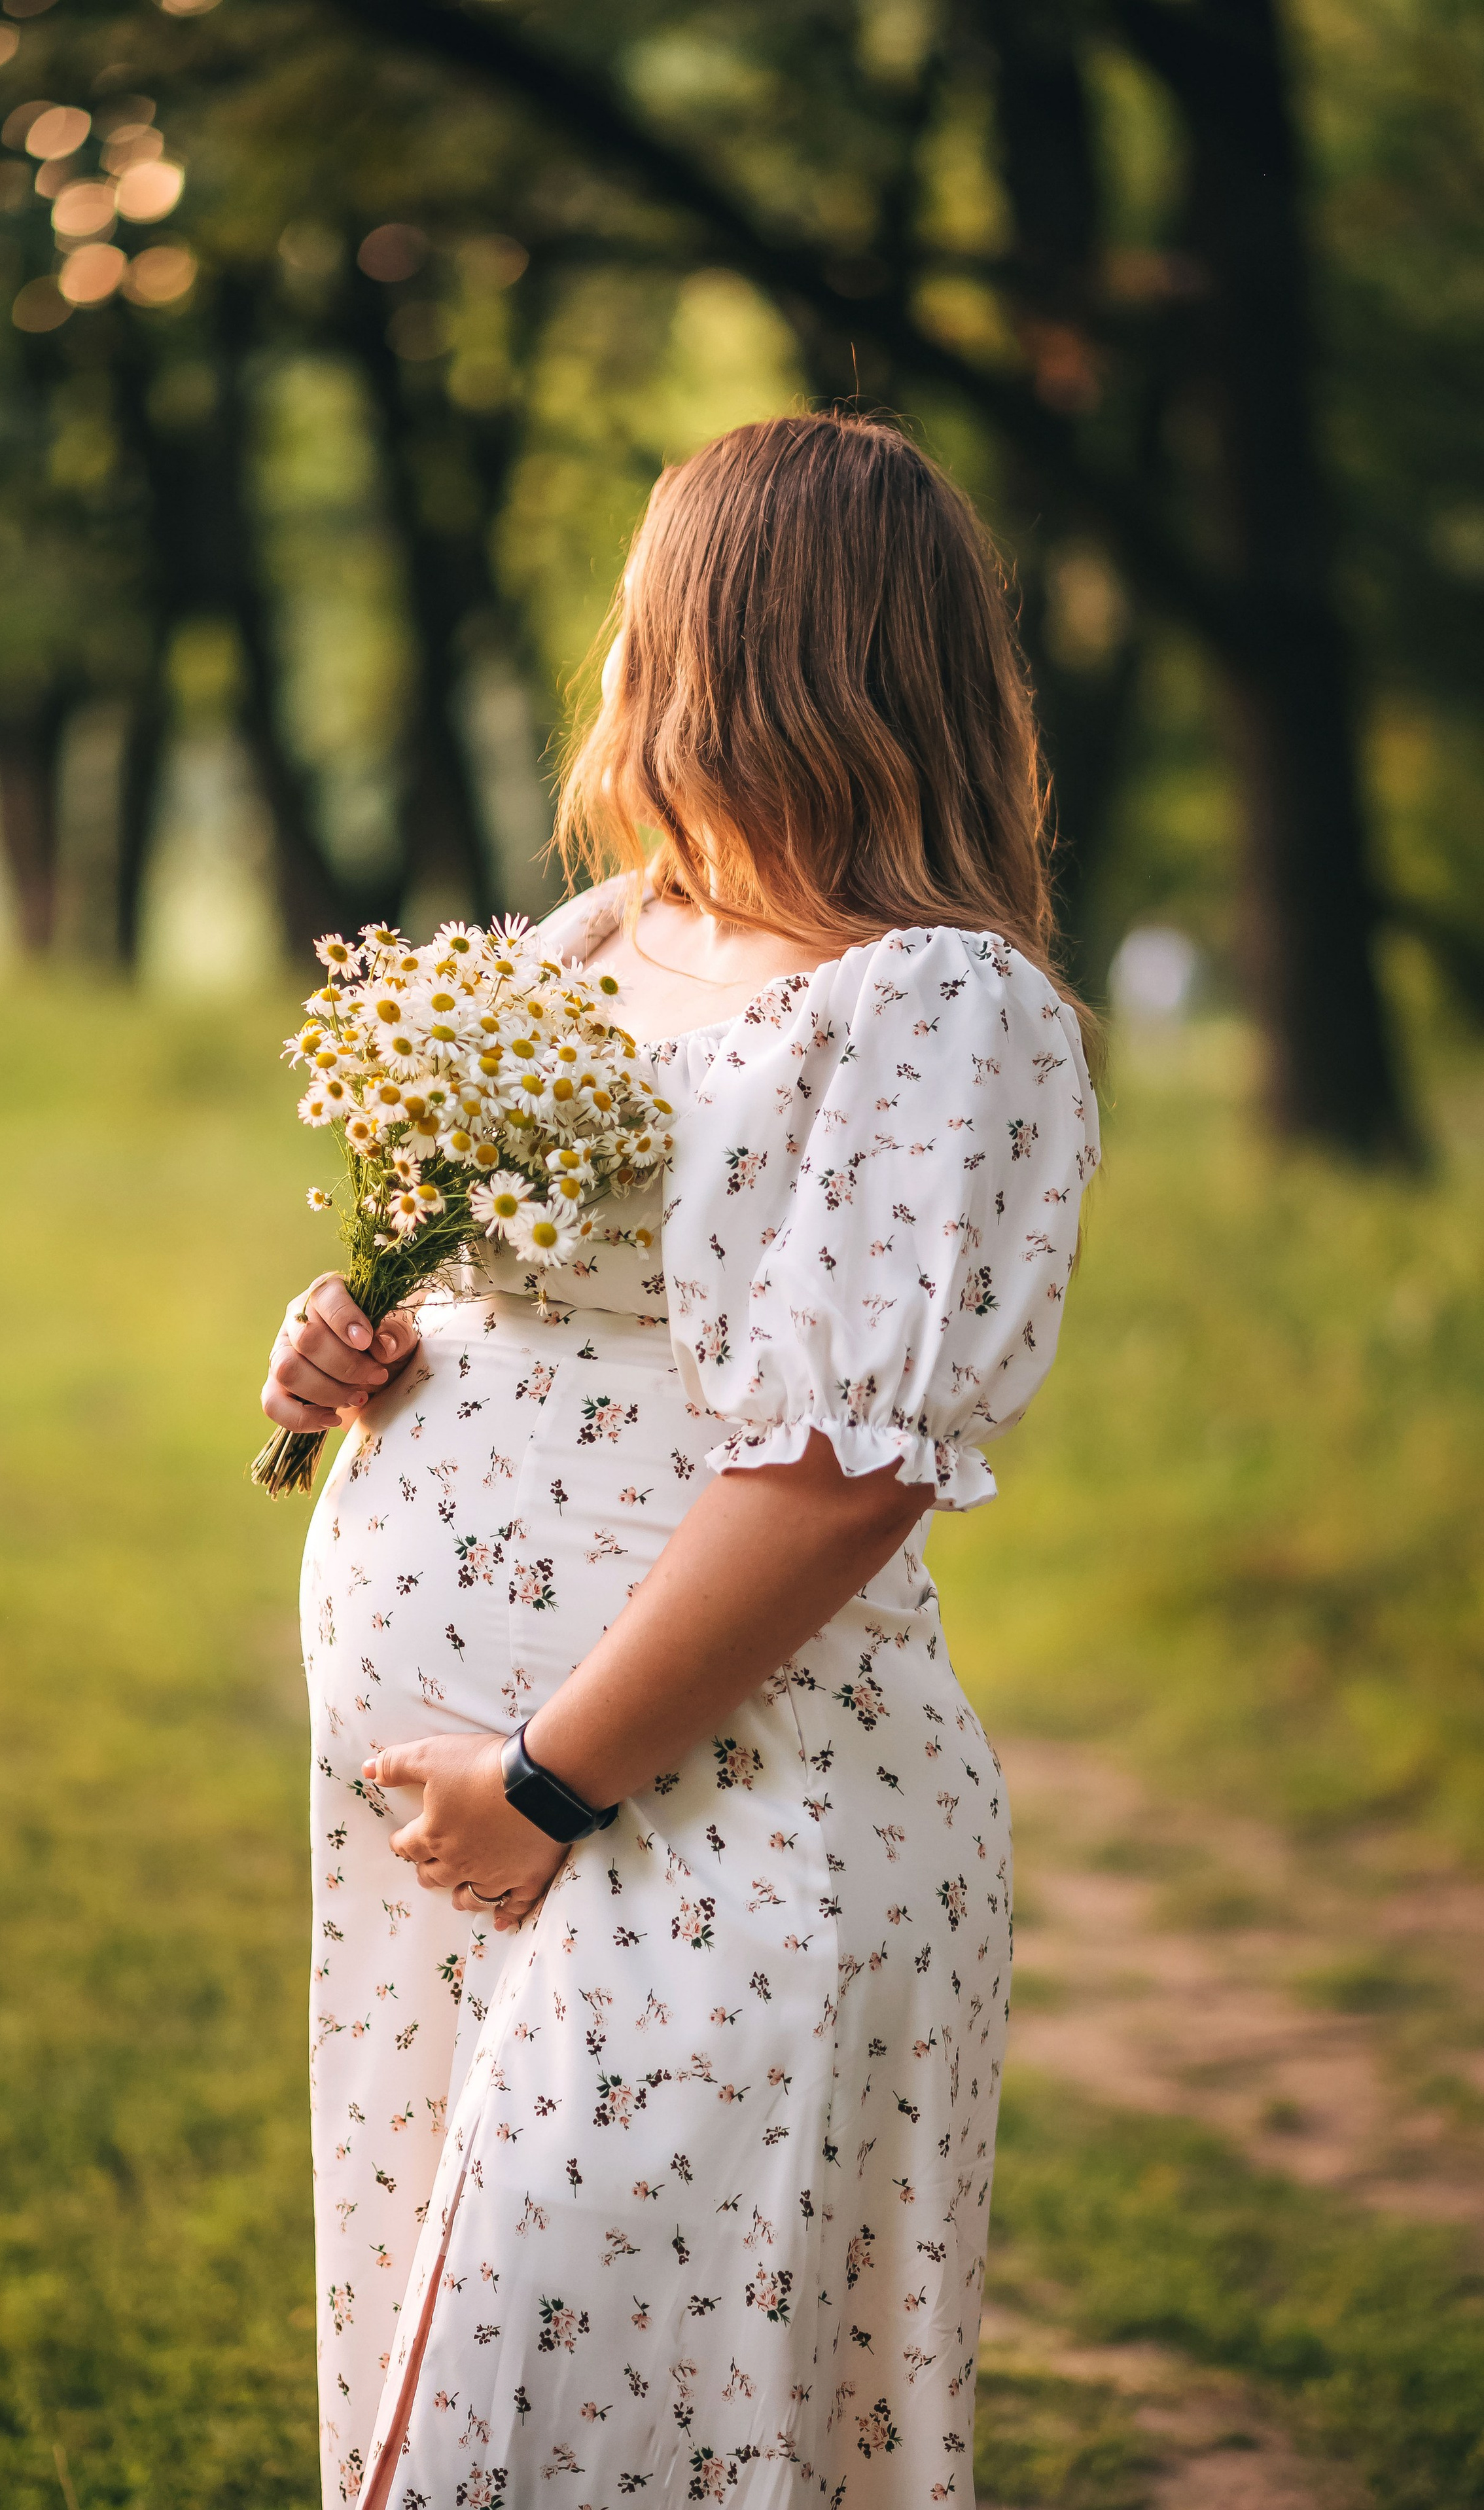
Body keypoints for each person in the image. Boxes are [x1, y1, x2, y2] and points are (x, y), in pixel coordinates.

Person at [260, 412, 1099, 2510]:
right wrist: (348, 1349)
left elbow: (841, 1473)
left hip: (720, 1812)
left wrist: (547, 1782)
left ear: (735, 644)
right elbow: (512, 1305)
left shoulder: (940, 1005)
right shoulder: (597, 941)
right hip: (465, 1835)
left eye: (655, 615)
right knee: (470, 2371)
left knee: (587, 2424)